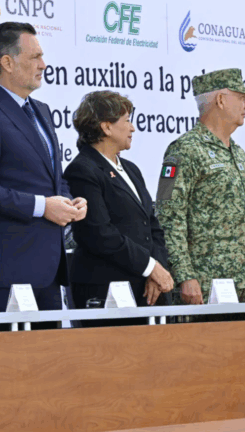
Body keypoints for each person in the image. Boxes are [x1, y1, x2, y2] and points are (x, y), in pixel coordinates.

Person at [0, 22, 87, 331]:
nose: (43, 64)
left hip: (48, 270)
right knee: (2, 373)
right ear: (7, 62)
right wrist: (43, 206)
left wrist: (69, 200)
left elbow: (49, 178)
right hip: (5, 273)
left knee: (49, 370)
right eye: (35, 57)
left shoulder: (41, 110)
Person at [156, 68, 245, 312]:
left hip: (243, 286)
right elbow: (167, 216)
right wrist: (184, 275)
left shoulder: (238, 153)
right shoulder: (182, 150)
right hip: (204, 288)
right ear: (221, 100)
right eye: (242, 97)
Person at [63, 91, 174, 327]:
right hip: (106, 290)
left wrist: (157, 271)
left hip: (146, 290)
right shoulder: (82, 170)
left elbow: (153, 225)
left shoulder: (132, 169)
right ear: (106, 128)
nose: (133, 128)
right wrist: (150, 267)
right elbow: (99, 233)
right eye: (126, 121)